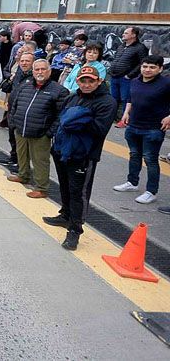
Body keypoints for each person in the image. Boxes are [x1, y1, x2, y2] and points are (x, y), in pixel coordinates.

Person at [44, 66, 117, 250]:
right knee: (65, 187)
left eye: (91, 81)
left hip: (83, 156)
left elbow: (100, 129)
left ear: (99, 81)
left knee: (79, 194)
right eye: (83, 80)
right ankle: (65, 215)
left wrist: (76, 119)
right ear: (77, 81)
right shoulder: (73, 96)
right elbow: (61, 119)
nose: (86, 84)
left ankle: (75, 230)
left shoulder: (107, 102)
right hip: (62, 151)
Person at [113, 55, 170, 204]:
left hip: (153, 129)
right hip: (133, 126)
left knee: (150, 159)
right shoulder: (135, 81)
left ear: (160, 69)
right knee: (134, 155)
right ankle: (132, 182)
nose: (147, 70)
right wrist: (126, 113)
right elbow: (130, 99)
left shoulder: (166, 83)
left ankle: (151, 191)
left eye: (152, 67)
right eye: (145, 66)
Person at [7, 59, 68, 198]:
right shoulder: (25, 86)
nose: (40, 72)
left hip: (41, 133)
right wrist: (14, 123)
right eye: (37, 69)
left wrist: (49, 132)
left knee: (40, 160)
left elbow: (61, 115)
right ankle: (23, 175)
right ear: (33, 72)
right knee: (21, 154)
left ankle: (41, 188)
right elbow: (15, 104)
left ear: (49, 71)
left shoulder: (59, 91)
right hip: (21, 129)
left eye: (43, 69)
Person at [109, 27, 148, 128]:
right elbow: (116, 58)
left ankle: (124, 120)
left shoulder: (140, 47)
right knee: (113, 98)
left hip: (126, 78)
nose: (123, 34)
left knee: (126, 99)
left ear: (133, 35)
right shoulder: (121, 46)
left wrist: (129, 75)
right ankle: (110, 117)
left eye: (126, 33)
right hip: (114, 76)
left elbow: (142, 63)